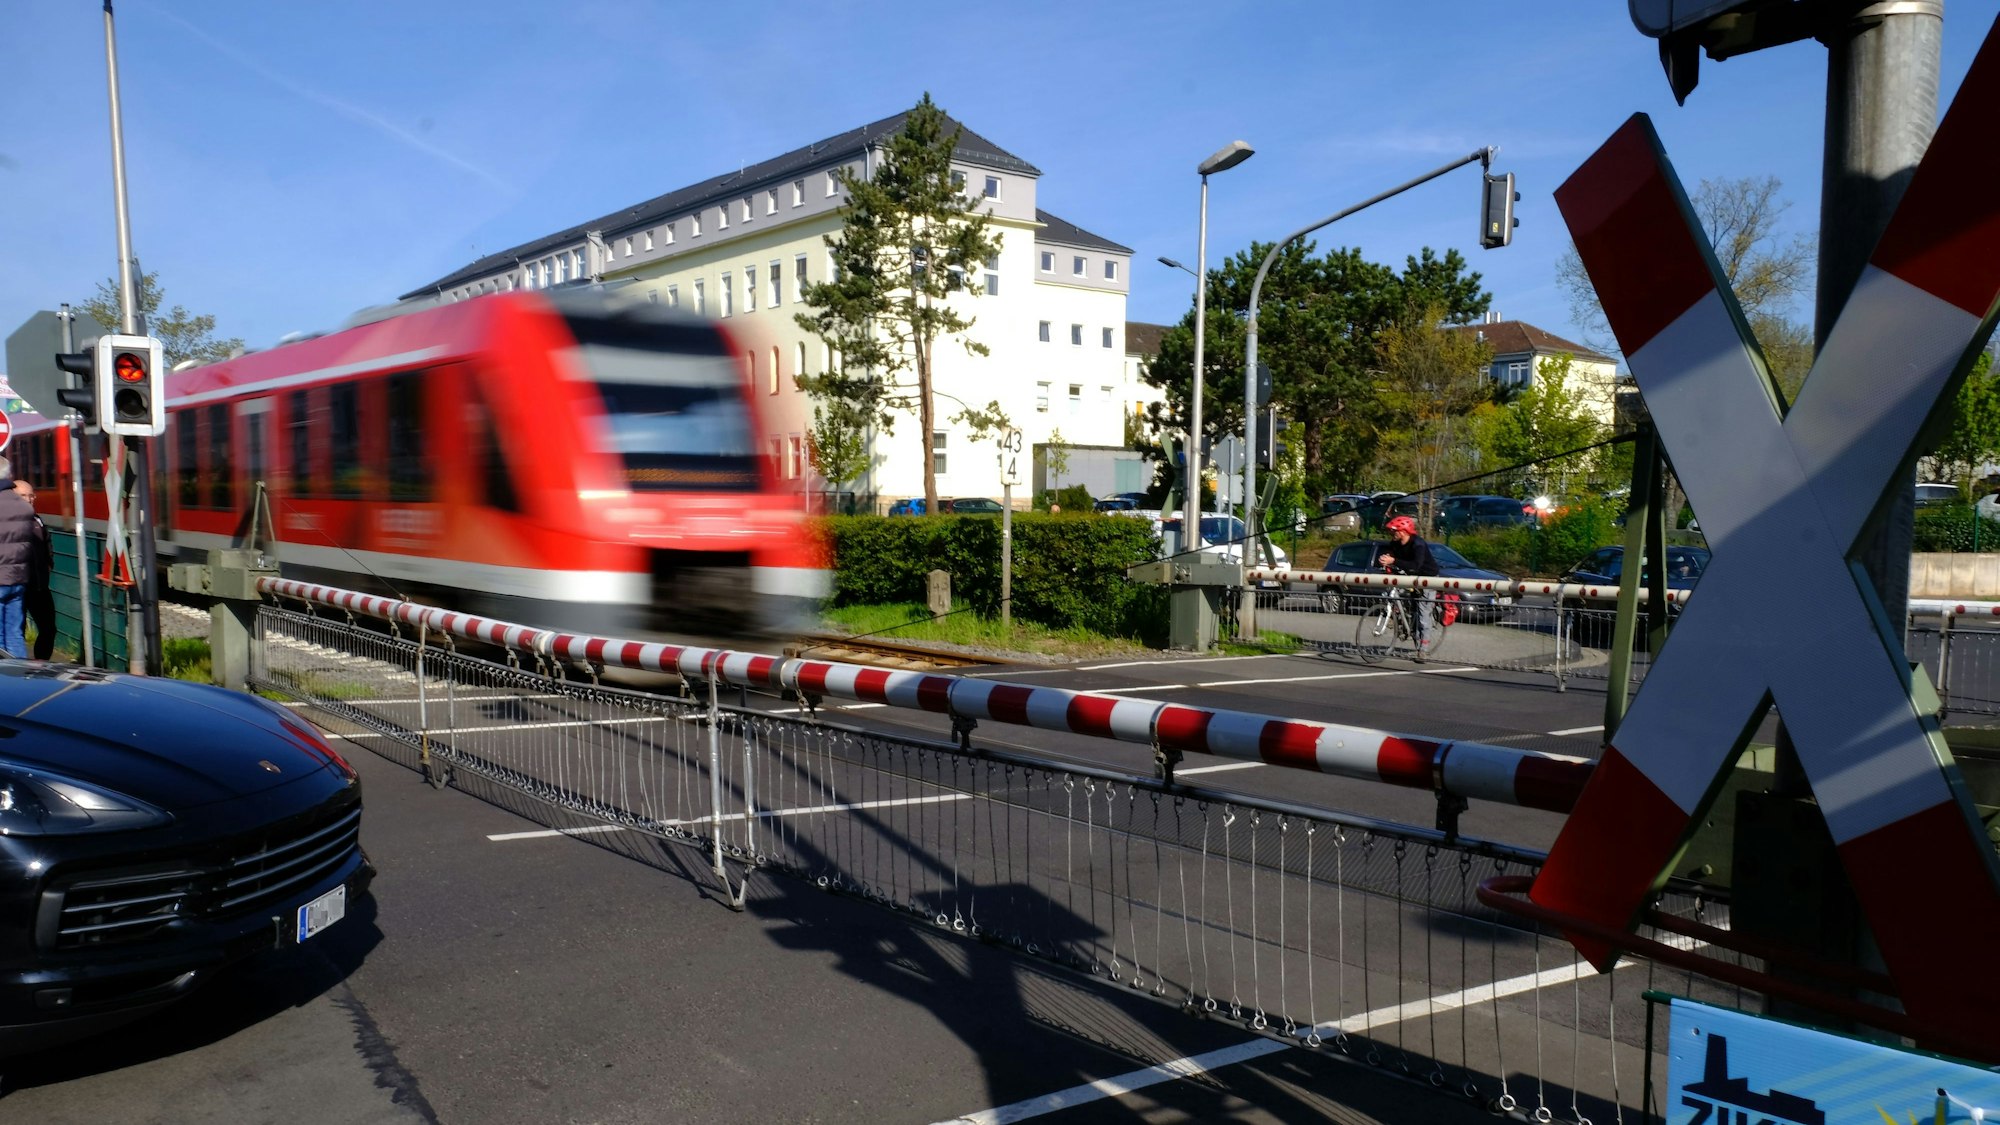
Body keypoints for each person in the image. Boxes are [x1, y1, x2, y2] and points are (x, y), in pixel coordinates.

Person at [1376, 514, 1441, 658]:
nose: (1391, 534)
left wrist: (1394, 560)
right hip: (1409, 577)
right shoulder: (1395, 543)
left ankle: (1423, 649)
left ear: (1403, 531)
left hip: (1428, 578)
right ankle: (1402, 619)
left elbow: (1415, 566)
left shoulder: (1418, 544)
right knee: (1400, 598)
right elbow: (1388, 555)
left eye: (1394, 531)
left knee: (1423, 613)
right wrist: (1382, 559)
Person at [0, 459, 46, 659]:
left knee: (0, 638)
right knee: (15, 634)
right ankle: (20, 678)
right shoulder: (23, 506)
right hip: (18, 579)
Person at [14, 480, 53, 660]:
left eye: (31, 495)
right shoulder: (7, 520)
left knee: (49, 629)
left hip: (39, 587)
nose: (29, 499)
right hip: (17, 587)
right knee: (16, 632)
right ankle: (14, 673)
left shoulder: (38, 520)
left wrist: (49, 564)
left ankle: (41, 666)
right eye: (23, 496)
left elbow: (47, 544)